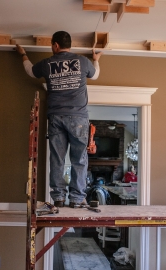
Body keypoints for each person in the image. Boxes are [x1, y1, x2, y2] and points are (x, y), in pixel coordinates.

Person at [16, 31, 102, 208]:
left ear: (55, 45)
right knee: (79, 158)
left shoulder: (48, 63)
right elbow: (95, 75)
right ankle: (77, 199)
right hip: (78, 117)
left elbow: (30, 71)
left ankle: (59, 198)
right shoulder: (82, 61)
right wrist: (96, 60)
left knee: (57, 158)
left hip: (55, 117)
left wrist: (23, 54)